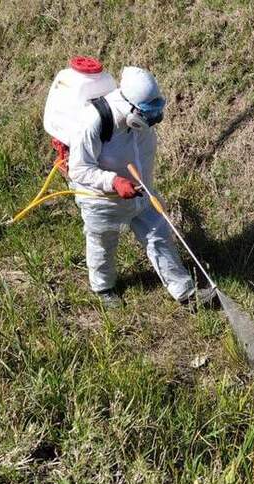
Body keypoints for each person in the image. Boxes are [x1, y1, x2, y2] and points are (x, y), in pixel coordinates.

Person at [67, 66, 214, 308]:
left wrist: (142, 185)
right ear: (130, 107)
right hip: (101, 199)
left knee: (160, 235)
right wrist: (113, 182)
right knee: (103, 243)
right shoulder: (94, 121)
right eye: (149, 112)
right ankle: (104, 288)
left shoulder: (140, 123)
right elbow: (79, 169)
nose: (155, 118)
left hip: (141, 191)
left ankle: (186, 294)